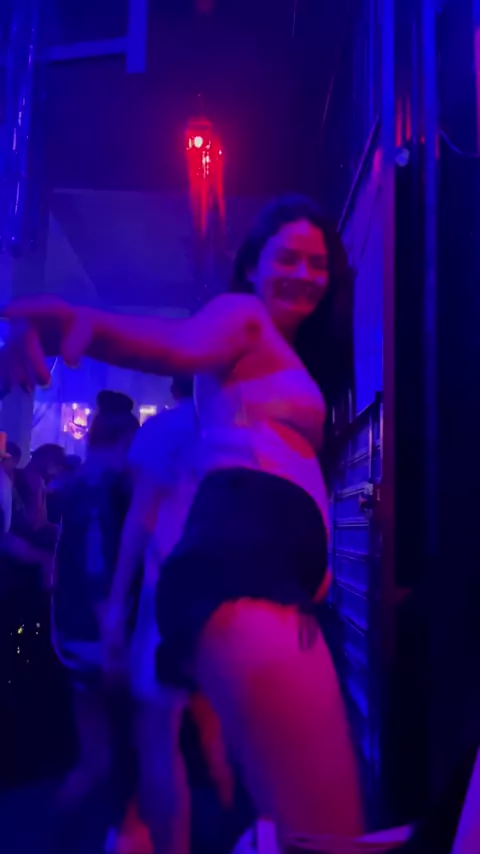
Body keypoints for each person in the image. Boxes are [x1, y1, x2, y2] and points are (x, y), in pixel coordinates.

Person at [3, 195, 363, 845]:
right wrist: (77, 324)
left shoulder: (279, 356)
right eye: (288, 258)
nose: (306, 274)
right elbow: (176, 344)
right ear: (252, 266)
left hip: (260, 580)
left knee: (299, 817)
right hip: (245, 571)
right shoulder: (242, 317)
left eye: (318, 263)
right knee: (326, 834)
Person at [103, 375, 234, 854]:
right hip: (231, 597)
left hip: (170, 595)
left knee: (159, 738)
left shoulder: (162, 432)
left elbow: (141, 518)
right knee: (222, 731)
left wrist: (115, 604)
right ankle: (245, 832)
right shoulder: (240, 425)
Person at [50, 391, 139, 844]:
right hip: (98, 636)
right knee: (130, 751)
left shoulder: (76, 483)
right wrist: (113, 633)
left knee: (96, 758)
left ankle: (61, 838)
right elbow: (96, 564)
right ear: (125, 441)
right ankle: (115, 837)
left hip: (72, 631)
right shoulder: (105, 487)